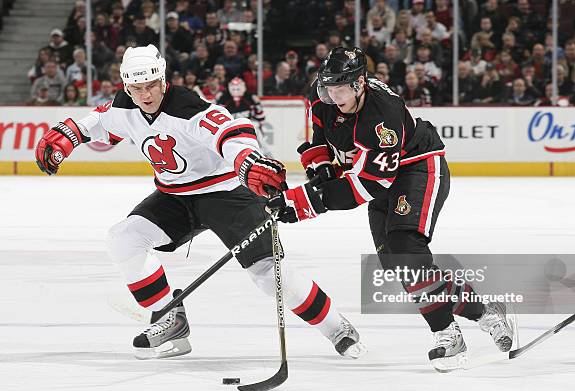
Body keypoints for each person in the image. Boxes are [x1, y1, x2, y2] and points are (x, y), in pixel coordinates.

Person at [34, 45, 365, 361]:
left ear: (163, 80)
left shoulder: (185, 106)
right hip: (175, 198)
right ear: (126, 87)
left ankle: (337, 328)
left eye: (151, 85)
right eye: (137, 88)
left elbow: (231, 131)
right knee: (123, 239)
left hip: (227, 195)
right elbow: (98, 122)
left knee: (269, 274)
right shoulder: (126, 105)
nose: (145, 95)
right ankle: (171, 319)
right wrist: (66, 134)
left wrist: (248, 162)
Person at [267, 47, 514, 372]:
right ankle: (486, 312)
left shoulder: (382, 115)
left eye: (339, 89)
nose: (331, 95)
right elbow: (321, 137)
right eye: (327, 87)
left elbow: (369, 186)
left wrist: (304, 203)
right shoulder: (323, 95)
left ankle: (447, 336)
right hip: (379, 173)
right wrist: (323, 166)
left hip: (418, 169)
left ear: (359, 84)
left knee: (405, 250)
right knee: (402, 267)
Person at [216, 77, 270, 156]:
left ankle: (265, 153)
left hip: (247, 126)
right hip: (230, 127)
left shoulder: (250, 98)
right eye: (233, 88)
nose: (236, 91)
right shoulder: (223, 98)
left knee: (256, 127)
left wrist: (261, 125)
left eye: (238, 88)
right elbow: (218, 114)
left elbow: (260, 116)